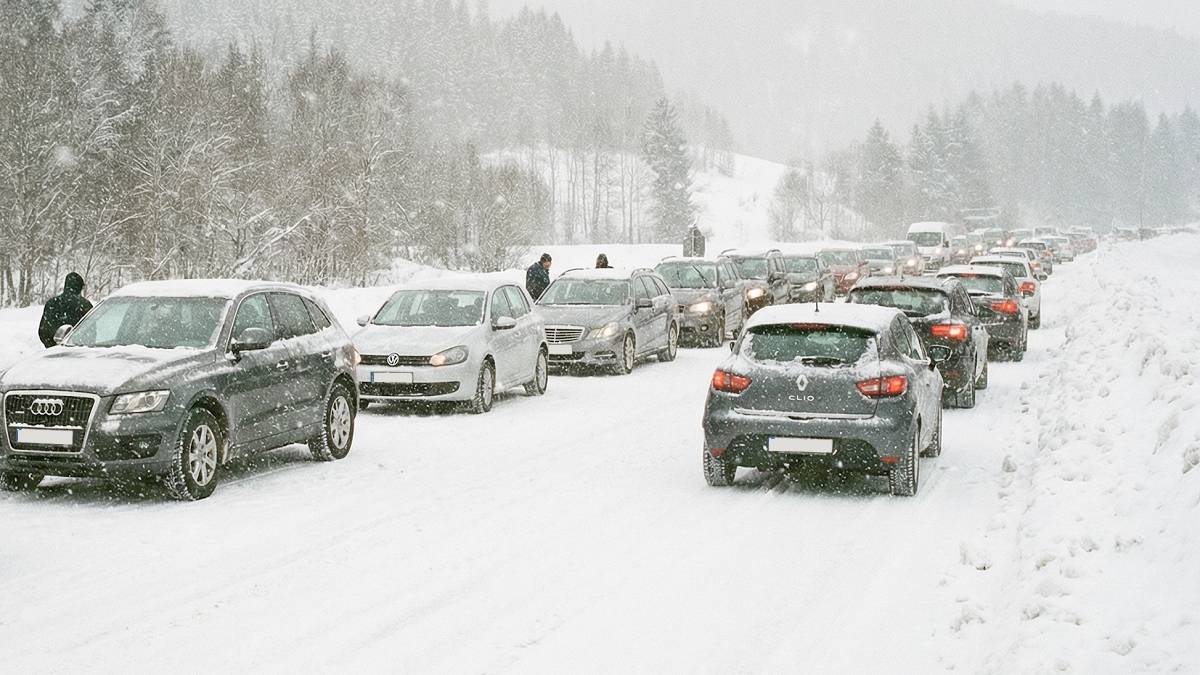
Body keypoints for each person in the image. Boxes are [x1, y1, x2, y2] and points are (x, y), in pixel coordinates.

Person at [38, 272, 93, 347]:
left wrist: (52, 346)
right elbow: (91, 332)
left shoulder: (52, 303)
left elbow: (43, 331)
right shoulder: (85, 305)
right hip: (79, 350)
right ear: (79, 287)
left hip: (54, 351)